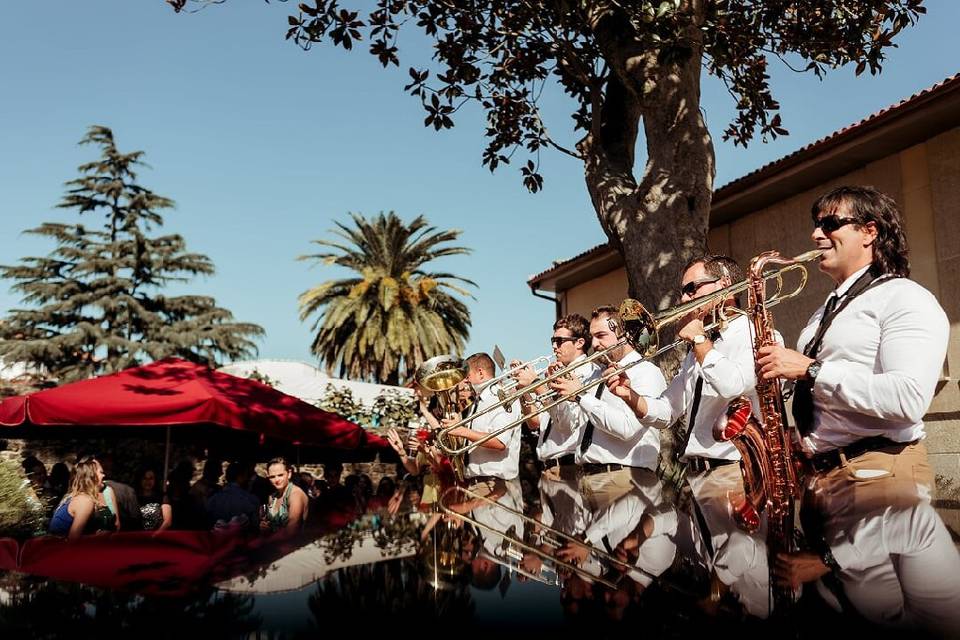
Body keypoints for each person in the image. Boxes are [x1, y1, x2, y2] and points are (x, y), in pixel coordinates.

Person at [756, 185, 960, 633]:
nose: (815, 234)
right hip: (824, 480)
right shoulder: (823, 315)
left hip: (879, 475)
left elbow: (908, 400)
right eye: (816, 224)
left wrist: (809, 370)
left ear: (870, 232)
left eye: (830, 224)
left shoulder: (905, 298)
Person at [548, 305, 666, 510]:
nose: (594, 344)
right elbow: (569, 426)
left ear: (624, 335)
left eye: (601, 335)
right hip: (588, 477)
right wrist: (556, 395)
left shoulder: (645, 372)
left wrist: (581, 395)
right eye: (592, 337)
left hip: (625, 478)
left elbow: (627, 429)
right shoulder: (596, 375)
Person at [512, 313, 598, 480]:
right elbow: (534, 423)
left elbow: (566, 425)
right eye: (553, 341)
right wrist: (523, 391)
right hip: (549, 468)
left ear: (579, 342)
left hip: (569, 467)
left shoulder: (589, 373)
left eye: (559, 341)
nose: (554, 347)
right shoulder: (557, 373)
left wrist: (537, 385)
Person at [444, 353, 522, 482]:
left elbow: (500, 442)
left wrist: (462, 431)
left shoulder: (499, 397)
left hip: (495, 482)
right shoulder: (478, 402)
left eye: (467, 375)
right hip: (478, 481)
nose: (465, 381)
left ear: (480, 373)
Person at [48, 457, 118, 539]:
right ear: (92, 477)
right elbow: (73, 540)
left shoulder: (78, 497)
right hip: (61, 549)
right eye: (101, 472)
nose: (104, 475)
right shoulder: (85, 500)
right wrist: (98, 537)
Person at [206, 462, 260, 532]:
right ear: (240, 477)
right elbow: (255, 528)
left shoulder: (212, 499)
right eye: (247, 476)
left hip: (218, 541)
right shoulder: (251, 500)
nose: (249, 479)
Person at [262, 457, 309, 534]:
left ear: (289, 474)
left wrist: (263, 542)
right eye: (272, 477)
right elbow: (269, 524)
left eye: (280, 475)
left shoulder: (295, 495)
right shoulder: (272, 497)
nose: (277, 480)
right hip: (274, 543)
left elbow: (291, 531)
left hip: (294, 545)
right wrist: (265, 526)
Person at [135, 465, 172, 531]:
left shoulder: (163, 497)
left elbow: (167, 522)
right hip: (138, 536)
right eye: (144, 478)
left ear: (155, 480)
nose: (147, 481)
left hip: (156, 536)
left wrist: (155, 535)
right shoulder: (134, 496)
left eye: (151, 478)